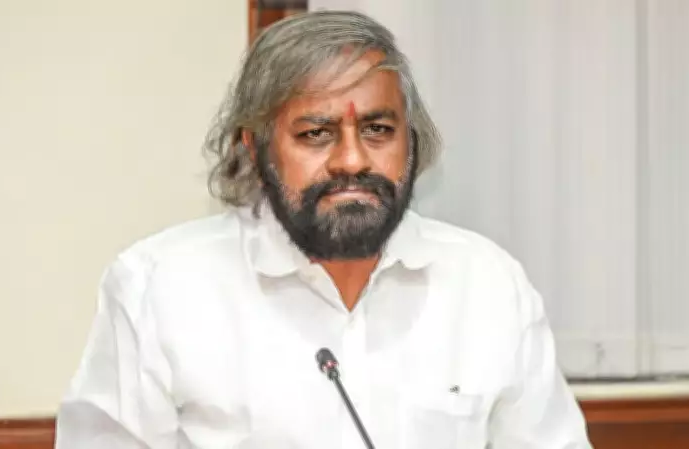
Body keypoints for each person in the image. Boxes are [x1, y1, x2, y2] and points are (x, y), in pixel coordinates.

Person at [55, 10, 593, 449]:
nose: (352, 160)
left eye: (378, 129)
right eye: (316, 133)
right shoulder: (157, 288)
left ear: (411, 142)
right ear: (255, 148)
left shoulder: (488, 284)